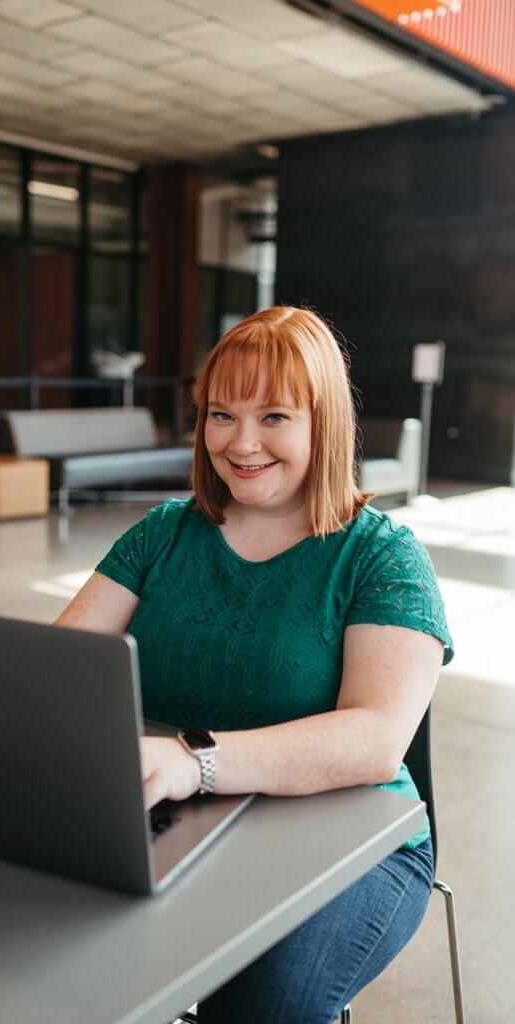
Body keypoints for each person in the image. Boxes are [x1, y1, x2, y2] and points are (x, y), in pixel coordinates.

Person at [55, 305, 453, 1024]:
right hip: (177, 816)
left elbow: (373, 740)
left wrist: (193, 759)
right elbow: (59, 670)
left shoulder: (383, 556)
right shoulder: (163, 535)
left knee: (260, 1004)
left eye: (274, 416)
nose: (241, 443)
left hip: (353, 838)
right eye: (220, 415)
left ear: (322, 423)